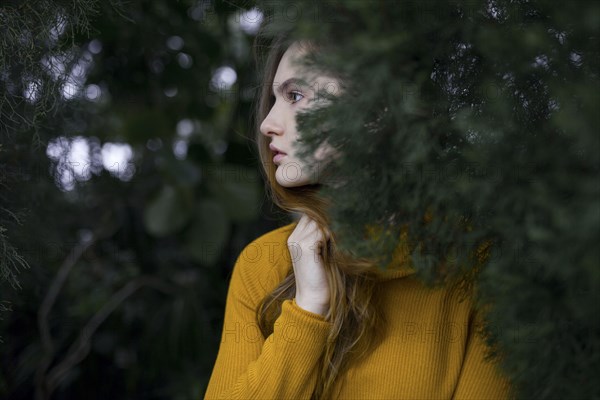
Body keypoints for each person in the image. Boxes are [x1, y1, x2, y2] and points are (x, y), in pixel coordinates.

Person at [204, 27, 513, 400]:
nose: (268, 122)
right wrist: (308, 311)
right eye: (274, 98)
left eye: (296, 96)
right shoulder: (263, 263)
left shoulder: (478, 264)